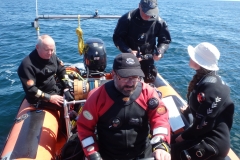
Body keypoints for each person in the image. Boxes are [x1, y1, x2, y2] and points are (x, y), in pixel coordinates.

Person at [77, 53, 171, 160]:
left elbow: (160, 119)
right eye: (125, 78)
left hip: (143, 155)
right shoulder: (97, 96)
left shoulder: (148, 93)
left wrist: (160, 145)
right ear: (113, 74)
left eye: (135, 77)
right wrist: (93, 154)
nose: (130, 83)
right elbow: (84, 128)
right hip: (108, 156)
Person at [171, 42, 234, 160]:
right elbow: (203, 108)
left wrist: (183, 136)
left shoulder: (213, 89)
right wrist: (189, 109)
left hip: (212, 143)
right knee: (172, 140)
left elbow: (202, 124)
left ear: (198, 62)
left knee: (173, 149)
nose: (189, 57)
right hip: (204, 134)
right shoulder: (207, 79)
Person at [113, 0, 171, 84]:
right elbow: (117, 38)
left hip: (148, 60)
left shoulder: (159, 22)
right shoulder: (126, 19)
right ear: (139, 6)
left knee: (149, 82)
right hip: (129, 58)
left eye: (150, 13)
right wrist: (128, 51)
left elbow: (165, 41)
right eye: (145, 12)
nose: (147, 15)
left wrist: (160, 51)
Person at [18, 34, 73, 112]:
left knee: (75, 92)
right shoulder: (27, 65)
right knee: (64, 104)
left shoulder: (52, 56)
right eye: (47, 50)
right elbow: (31, 90)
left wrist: (66, 87)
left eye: (52, 50)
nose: (50, 53)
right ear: (37, 47)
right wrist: (49, 98)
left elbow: (61, 70)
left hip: (54, 88)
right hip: (40, 97)